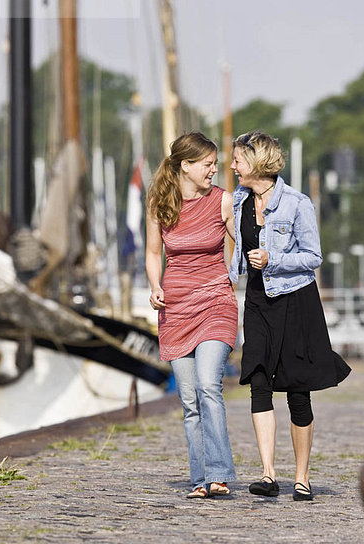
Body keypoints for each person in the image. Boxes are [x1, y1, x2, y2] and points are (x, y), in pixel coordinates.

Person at [229, 130, 351, 501]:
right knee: (259, 380)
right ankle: (268, 474)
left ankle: (302, 477)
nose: (232, 167)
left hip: (296, 301)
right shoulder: (237, 200)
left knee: (298, 391)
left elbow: (313, 257)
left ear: (257, 162)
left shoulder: (297, 204)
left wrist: (274, 259)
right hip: (257, 301)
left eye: (238, 160)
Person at [146, 132, 238, 499]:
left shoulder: (223, 202)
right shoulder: (160, 202)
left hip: (216, 301)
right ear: (185, 165)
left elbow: (245, 246)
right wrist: (155, 284)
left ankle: (219, 473)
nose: (214, 170)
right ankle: (200, 478)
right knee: (189, 400)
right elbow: (155, 253)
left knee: (208, 385)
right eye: (208, 164)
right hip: (176, 307)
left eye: (215, 164)